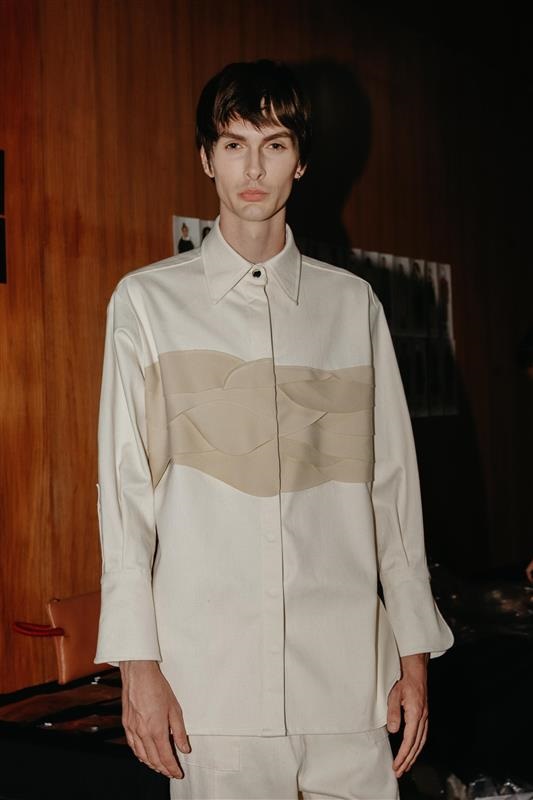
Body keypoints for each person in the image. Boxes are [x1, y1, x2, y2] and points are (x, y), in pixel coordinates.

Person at [94, 59, 454, 800]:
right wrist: (137, 664)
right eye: (233, 145)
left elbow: (392, 489)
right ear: (206, 158)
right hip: (209, 691)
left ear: (302, 161)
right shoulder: (146, 305)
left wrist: (412, 652)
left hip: (349, 684)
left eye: (275, 145)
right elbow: (125, 497)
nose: (253, 169)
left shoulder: (352, 307)